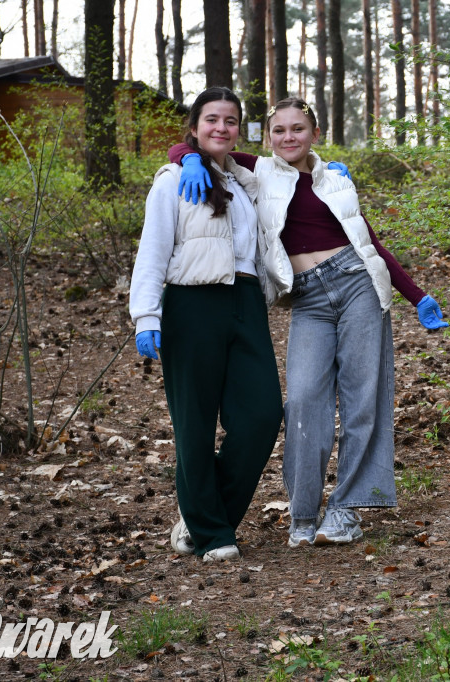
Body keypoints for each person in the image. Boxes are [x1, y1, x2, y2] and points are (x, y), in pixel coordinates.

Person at [170, 97, 449, 547]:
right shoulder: (258, 171)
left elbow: (367, 240)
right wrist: (184, 160)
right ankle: (302, 512)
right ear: (267, 136)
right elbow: (203, 146)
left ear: (314, 134)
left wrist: (416, 295)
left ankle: (345, 509)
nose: (288, 138)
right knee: (301, 400)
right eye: (278, 130)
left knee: (362, 399)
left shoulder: (335, 178)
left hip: (358, 282)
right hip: (309, 298)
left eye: (297, 129)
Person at [130, 87, 286, 563]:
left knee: (261, 416)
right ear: (195, 126)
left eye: (231, 120)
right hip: (191, 304)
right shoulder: (173, 180)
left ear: (240, 128)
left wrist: (329, 171)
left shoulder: (247, 180)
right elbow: (153, 251)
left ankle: (199, 514)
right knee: (194, 425)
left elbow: (295, 168)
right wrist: (146, 315)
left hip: (245, 301)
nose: (222, 127)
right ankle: (213, 533)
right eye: (212, 119)